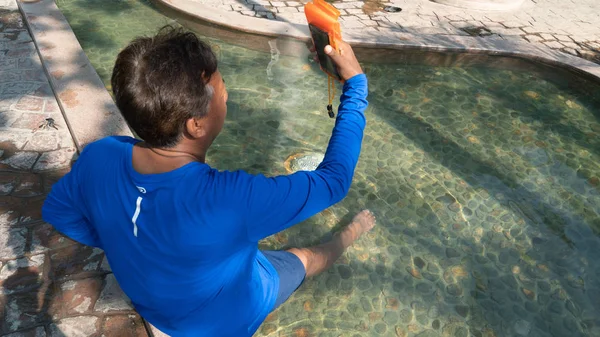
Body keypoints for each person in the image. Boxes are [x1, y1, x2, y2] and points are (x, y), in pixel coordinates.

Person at [42, 25, 374, 337]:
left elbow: (59, 211)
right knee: (305, 257)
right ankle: (349, 234)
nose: (227, 98)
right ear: (195, 125)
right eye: (223, 93)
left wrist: (127, 241)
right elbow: (334, 181)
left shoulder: (100, 155)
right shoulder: (231, 199)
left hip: (152, 303)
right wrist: (355, 83)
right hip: (226, 318)